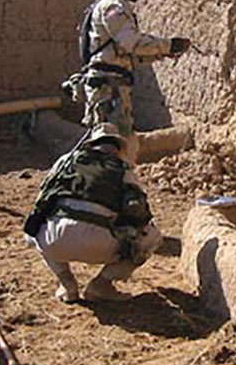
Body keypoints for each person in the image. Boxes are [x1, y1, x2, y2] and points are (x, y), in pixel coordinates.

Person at [65, 0, 191, 166]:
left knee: (117, 142)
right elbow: (131, 43)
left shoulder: (118, 5)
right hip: (107, 86)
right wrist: (168, 45)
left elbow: (124, 52)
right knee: (111, 144)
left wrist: (162, 53)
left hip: (112, 85)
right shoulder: (113, 6)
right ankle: (105, 188)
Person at [24, 123, 162, 302]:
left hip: (54, 241)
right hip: (100, 245)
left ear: (91, 144)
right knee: (153, 237)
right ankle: (101, 285)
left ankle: (67, 284)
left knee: (33, 232)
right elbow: (138, 211)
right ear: (117, 148)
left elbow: (42, 200)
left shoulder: (66, 162)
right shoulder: (122, 169)